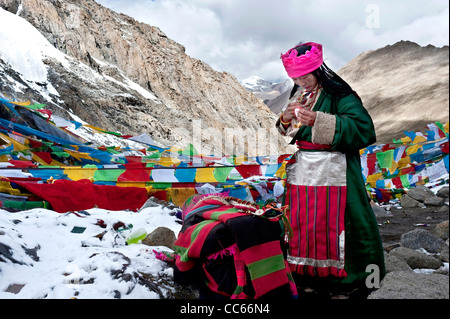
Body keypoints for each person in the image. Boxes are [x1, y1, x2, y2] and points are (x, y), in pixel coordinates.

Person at [276, 42, 385, 295]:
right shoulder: (301, 95)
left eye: (304, 75)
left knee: (339, 220)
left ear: (318, 70)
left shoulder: (341, 96)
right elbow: (286, 130)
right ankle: (303, 271)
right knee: (304, 220)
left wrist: (319, 120)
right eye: (295, 77)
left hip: (336, 169)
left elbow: (364, 129)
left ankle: (350, 276)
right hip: (304, 170)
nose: (300, 81)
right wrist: (285, 117)